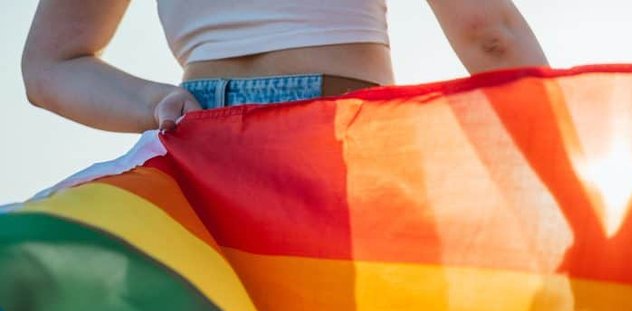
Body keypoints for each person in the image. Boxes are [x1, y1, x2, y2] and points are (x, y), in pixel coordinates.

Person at [21, 0, 549, 132]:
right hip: (337, 136)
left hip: (195, 142)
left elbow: (49, 67)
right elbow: (490, 36)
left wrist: (151, 103)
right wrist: (576, 205)